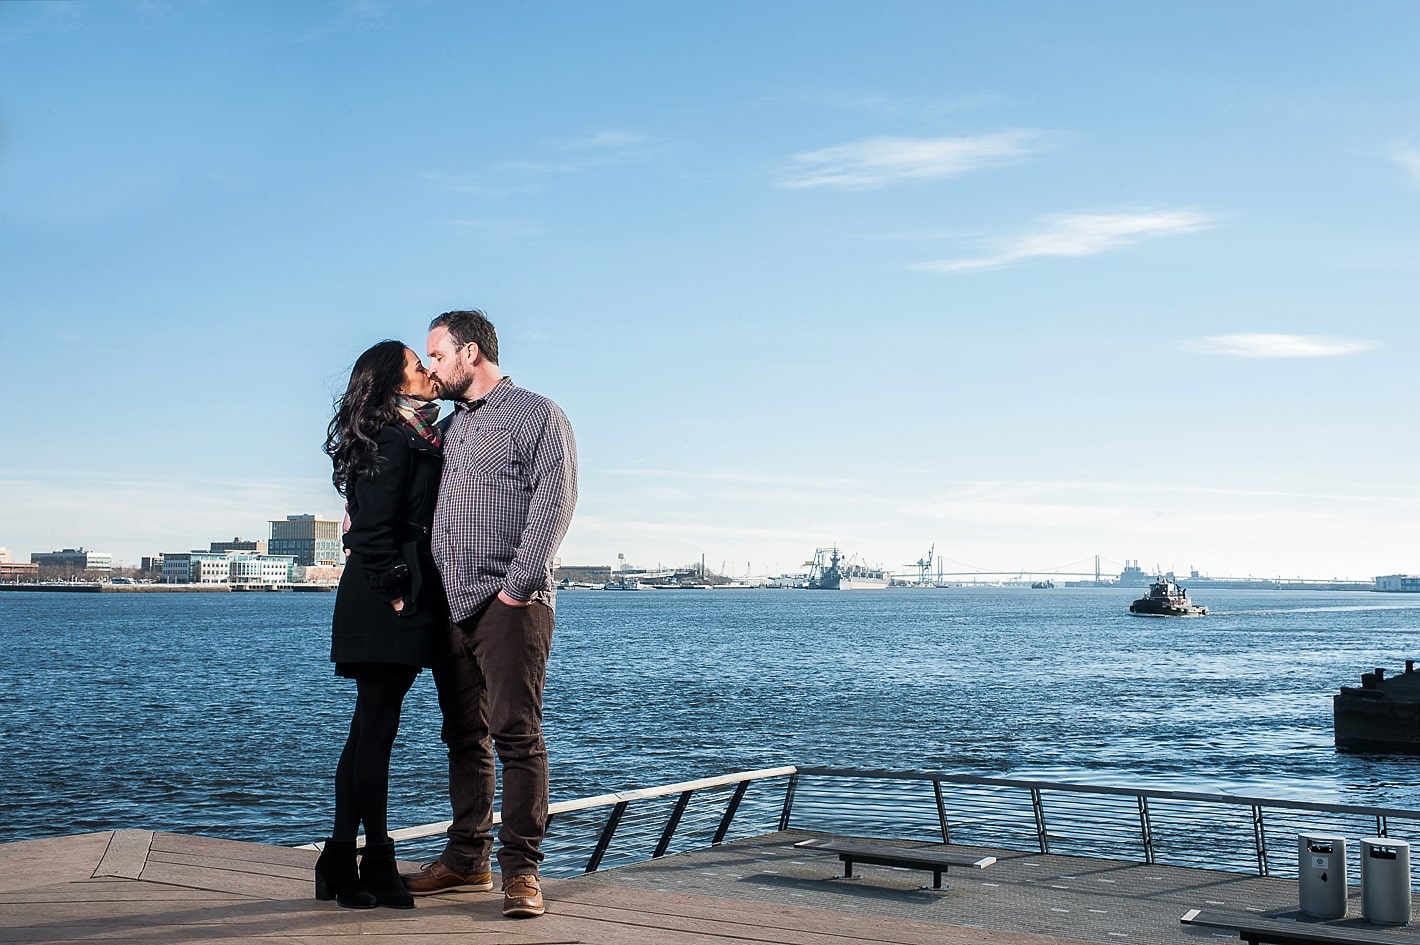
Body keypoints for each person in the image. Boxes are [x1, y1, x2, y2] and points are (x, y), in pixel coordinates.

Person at [401, 309, 577, 919]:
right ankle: (465, 860)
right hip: (450, 607)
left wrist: (517, 588)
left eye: (438, 356)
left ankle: (522, 873)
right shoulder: (446, 431)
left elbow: (554, 503)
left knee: (516, 736)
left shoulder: (537, 415)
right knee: (462, 737)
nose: (431, 368)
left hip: (511, 605)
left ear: (470, 352)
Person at [314, 340, 445, 910]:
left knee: (367, 732)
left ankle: (340, 859)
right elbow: (370, 530)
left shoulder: (407, 433)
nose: (429, 372)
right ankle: (378, 861)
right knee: (378, 736)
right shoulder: (393, 437)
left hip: (387, 596)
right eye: (420, 366)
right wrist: (396, 592)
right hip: (384, 600)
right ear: (395, 384)